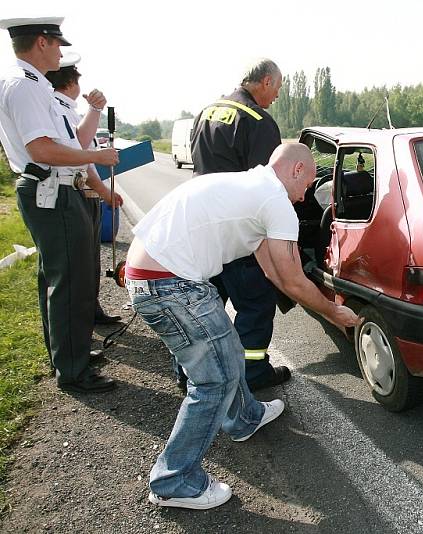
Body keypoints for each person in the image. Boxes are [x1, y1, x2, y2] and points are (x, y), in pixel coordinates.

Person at [125, 143, 360, 510]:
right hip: (170, 285)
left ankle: (245, 417)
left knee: (229, 350)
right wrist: (334, 312)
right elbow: (294, 280)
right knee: (213, 381)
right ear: (296, 170)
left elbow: (274, 271)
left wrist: (316, 299)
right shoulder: (275, 199)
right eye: (310, 183)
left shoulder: (251, 189)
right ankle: (174, 480)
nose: (306, 196)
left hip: (157, 275)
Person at [0, 17, 120, 393]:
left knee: (59, 279)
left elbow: (73, 141)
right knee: (69, 282)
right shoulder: (24, 87)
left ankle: (69, 353)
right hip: (51, 191)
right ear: (40, 42)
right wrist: (98, 159)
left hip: (55, 190)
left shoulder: (37, 89)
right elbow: (42, 149)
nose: (59, 51)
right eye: (56, 43)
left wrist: (93, 129)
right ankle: (73, 369)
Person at [189, 58, 287, 391]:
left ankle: (196, 374)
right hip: (239, 234)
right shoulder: (258, 121)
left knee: (207, 304)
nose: (276, 95)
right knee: (256, 304)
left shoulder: (206, 112)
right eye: (277, 87)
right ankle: (254, 375)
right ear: (264, 82)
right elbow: (265, 187)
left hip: (204, 230)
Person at [44, 52, 124, 328]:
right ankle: (74, 346)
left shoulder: (65, 107)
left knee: (86, 266)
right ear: (70, 82)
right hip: (65, 191)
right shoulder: (56, 106)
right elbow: (80, 147)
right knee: (72, 273)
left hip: (78, 189)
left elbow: (82, 153)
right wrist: (95, 111)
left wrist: (104, 192)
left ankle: (87, 319)